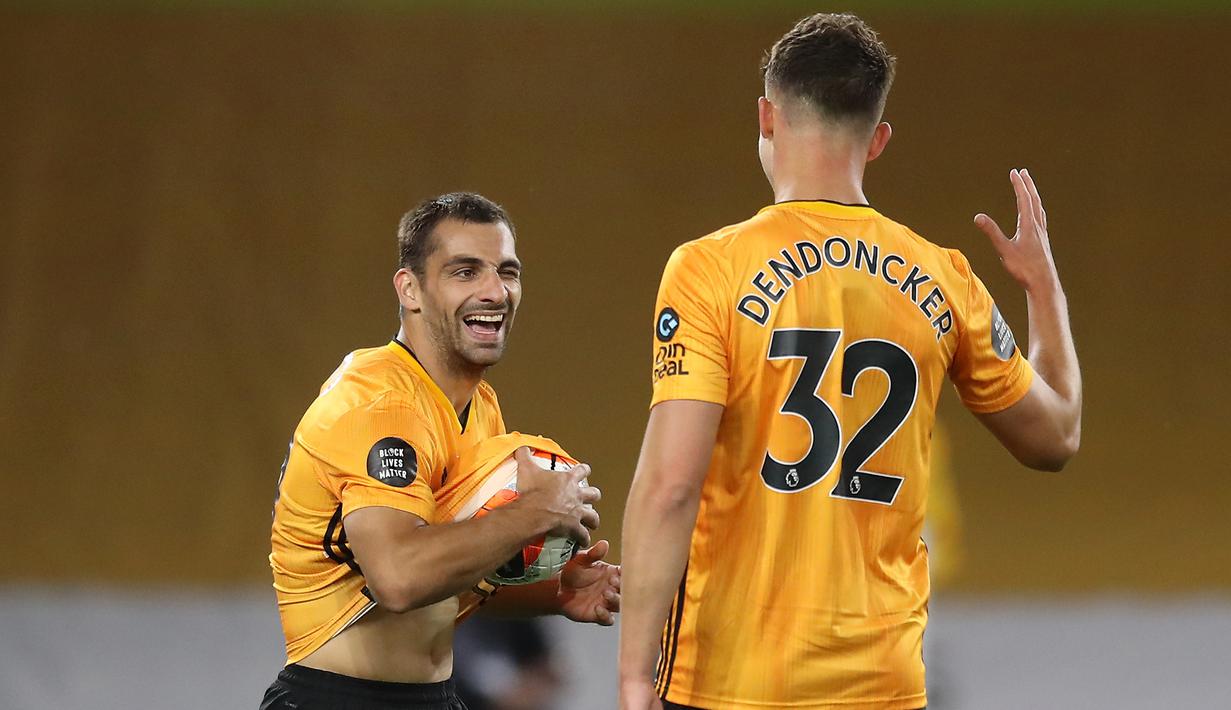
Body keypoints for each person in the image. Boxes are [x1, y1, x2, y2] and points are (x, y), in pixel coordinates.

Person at [618, 13, 1081, 710]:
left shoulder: (708, 269)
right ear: (879, 139)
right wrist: (1043, 291)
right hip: (883, 684)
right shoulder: (944, 278)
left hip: (731, 680)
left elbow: (670, 487)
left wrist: (632, 674)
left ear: (766, 116)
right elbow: (1056, 437)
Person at [263, 192, 621, 710]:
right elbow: (400, 580)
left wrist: (555, 591)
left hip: (433, 697)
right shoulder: (381, 406)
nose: (495, 291)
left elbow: (444, 590)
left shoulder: (477, 406)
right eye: (465, 272)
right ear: (410, 289)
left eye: (507, 272)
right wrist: (532, 514)